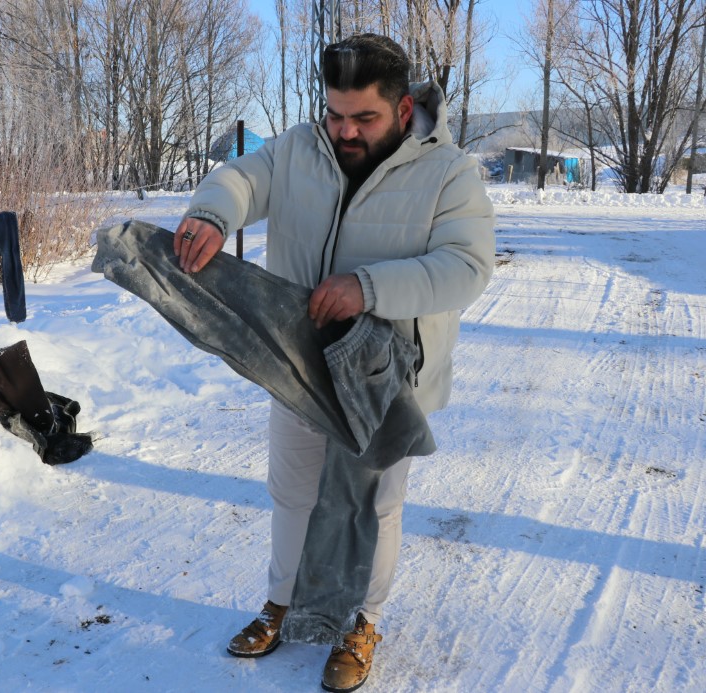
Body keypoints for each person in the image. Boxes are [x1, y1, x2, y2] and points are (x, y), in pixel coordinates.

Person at [174, 33, 495, 692]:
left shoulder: (450, 172)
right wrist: (211, 212)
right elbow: (241, 177)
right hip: (297, 363)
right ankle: (281, 601)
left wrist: (367, 287)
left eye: (364, 118)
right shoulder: (298, 148)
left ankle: (362, 621)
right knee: (293, 491)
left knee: (369, 505)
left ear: (404, 111)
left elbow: (467, 267)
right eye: (335, 114)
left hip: (385, 377)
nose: (345, 131)